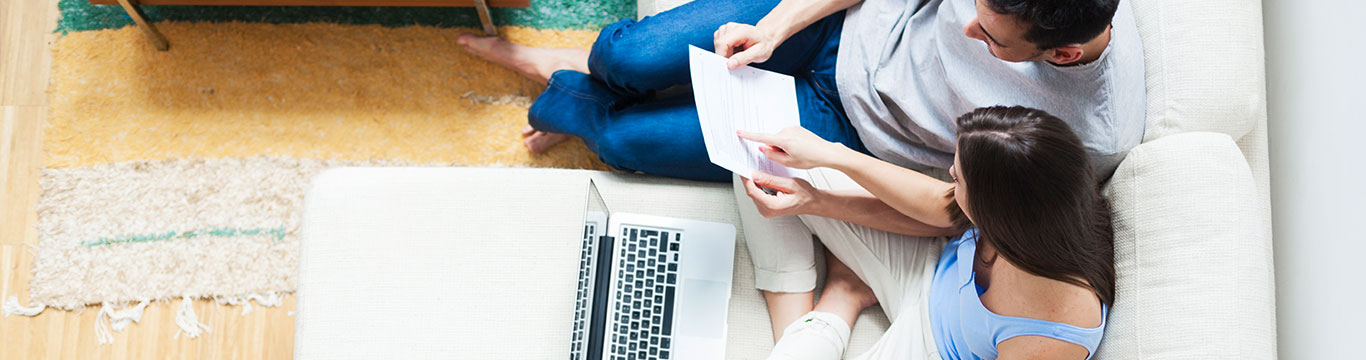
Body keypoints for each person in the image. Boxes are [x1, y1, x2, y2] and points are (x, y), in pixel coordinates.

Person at [459, 0, 1143, 350]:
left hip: (848, 134)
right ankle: (583, 74)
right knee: (628, 58)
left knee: (621, 139)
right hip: (834, 32)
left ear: (1061, 54)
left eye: (990, 39)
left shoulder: (1084, 137)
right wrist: (778, 27)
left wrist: (827, 173)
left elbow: (957, 210)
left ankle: (565, 89)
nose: (967, 29)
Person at [737, 106, 1115, 359]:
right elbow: (940, 212)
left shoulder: (1052, 334)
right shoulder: (1038, 201)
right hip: (931, 261)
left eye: (958, 179)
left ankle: (838, 301)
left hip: (929, 347)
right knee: (758, 163)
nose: (949, 176)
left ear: (997, 215)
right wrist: (819, 189)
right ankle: (805, 317)